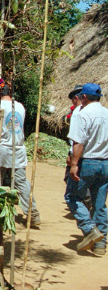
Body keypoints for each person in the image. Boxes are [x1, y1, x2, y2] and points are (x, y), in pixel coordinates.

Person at [66, 83, 108, 255]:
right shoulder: (106, 113)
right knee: (99, 203)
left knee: (72, 196)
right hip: (105, 163)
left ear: (84, 97)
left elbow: (79, 142)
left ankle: (90, 229)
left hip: (88, 162)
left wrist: (74, 164)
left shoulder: (84, 114)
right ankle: (101, 245)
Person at [0, 85, 41, 226]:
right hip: (18, 147)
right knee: (21, 181)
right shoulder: (20, 106)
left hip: (3, 148)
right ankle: (32, 213)